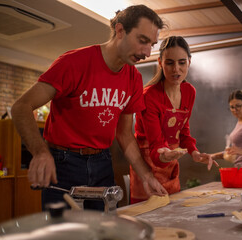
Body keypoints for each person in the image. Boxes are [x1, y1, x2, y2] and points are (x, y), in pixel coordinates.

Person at [11, 5, 168, 211]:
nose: (147, 52)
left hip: (103, 161)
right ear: (120, 31)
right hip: (64, 163)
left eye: (152, 44)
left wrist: (147, 175)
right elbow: (21, 107)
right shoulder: (73, 63)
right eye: (142, 41)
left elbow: (124, 135)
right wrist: (40, 152)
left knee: (103, 230)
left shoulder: (133, 78)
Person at [130, 36, 218, 204]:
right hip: (147, 168)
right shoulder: (149, 96)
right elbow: (156, 144)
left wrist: (194, 152)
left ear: (189, 62)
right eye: (169, 63)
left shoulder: (189, 92)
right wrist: (164, 156)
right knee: (150, 222)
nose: (176, 69)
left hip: (170, 166)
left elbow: (183, 131)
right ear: (160, 62)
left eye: (182, 62)